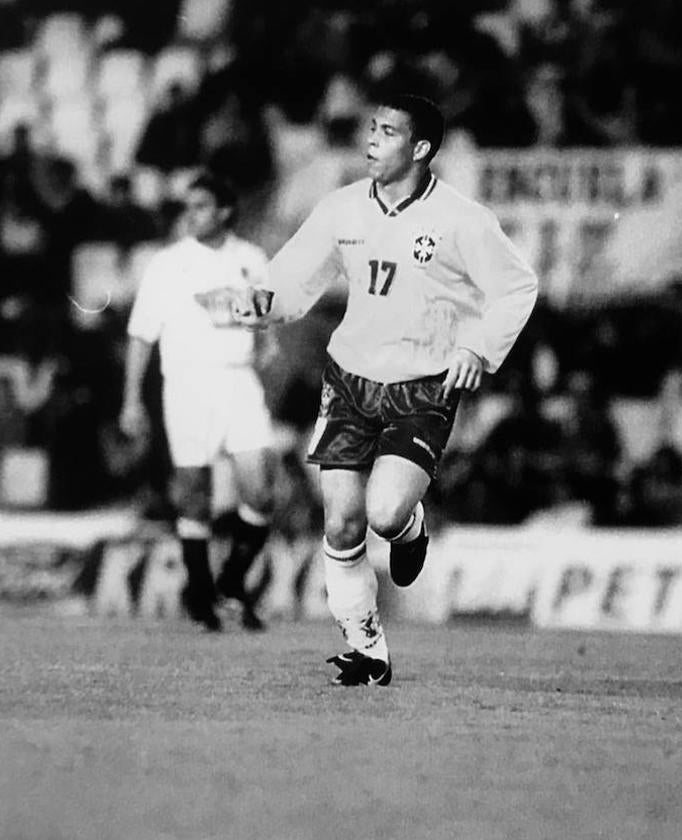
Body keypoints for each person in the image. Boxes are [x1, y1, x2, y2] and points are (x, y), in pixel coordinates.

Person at [232, 93, 539, 686]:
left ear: (421, 149)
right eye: (370, 129)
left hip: (423, 386)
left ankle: (410, 525)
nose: (371, 140)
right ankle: (368, 649)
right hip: (349, 381)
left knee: (384, 512)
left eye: (388, 132)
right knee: (342, 524)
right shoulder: (341, 209)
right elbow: (295, 276)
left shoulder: (462, 221)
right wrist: (262, 303)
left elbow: (517, 287)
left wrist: (477, 347)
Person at [120, 171, 277, 632]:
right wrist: (131, 399)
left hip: (238, 380)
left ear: (225, 211)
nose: (190, 216)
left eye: (201, 207)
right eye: (187, 207)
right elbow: (141, 334)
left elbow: (262, 319)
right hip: (187, 384)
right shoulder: (167, 263)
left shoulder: (251, 258)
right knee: (194, 493)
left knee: (261, 489)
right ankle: (202, 595)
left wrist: (265, 341)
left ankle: (230, 580)